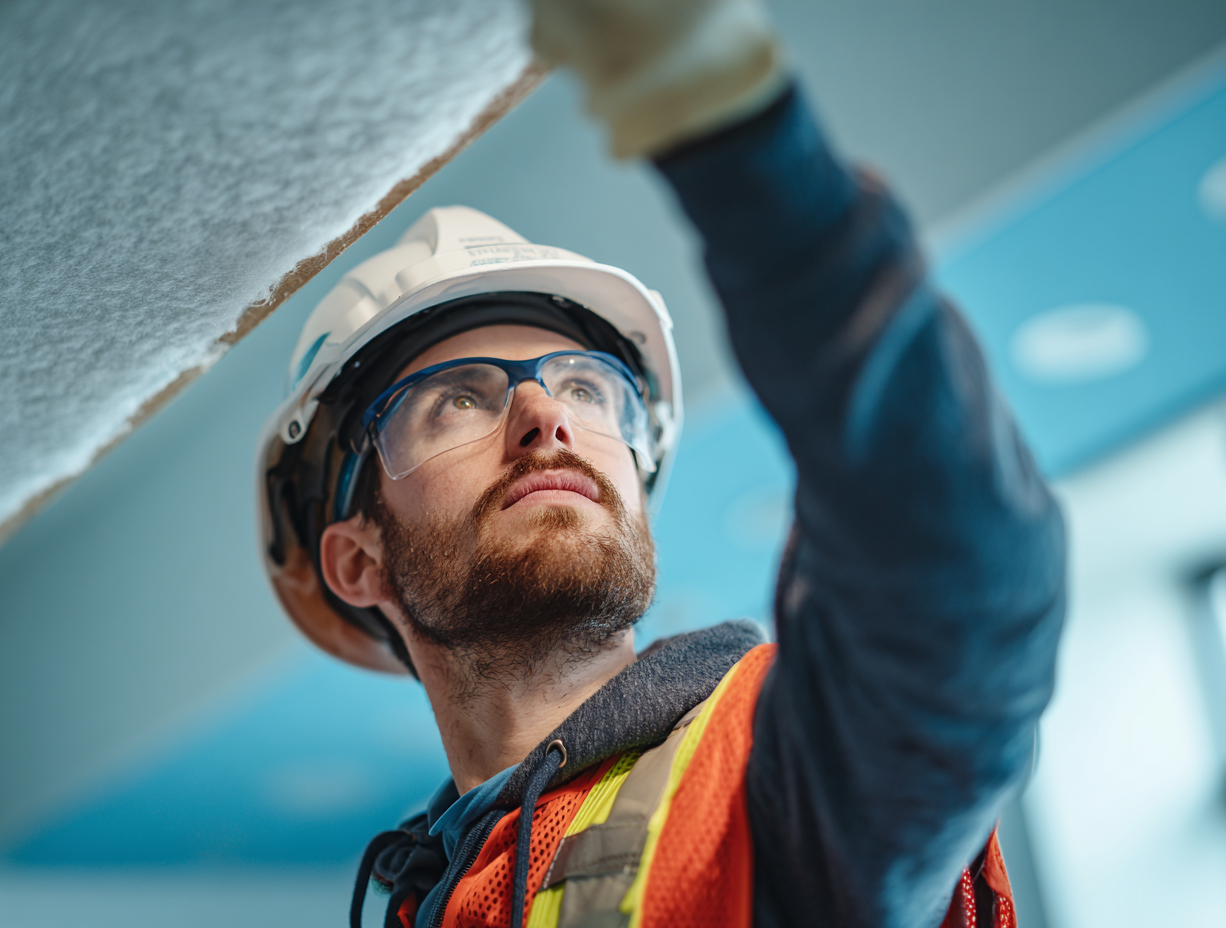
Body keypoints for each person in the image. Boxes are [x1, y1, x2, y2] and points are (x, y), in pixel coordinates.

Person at [254, 2, 1065, 927]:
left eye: (588, 388)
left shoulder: (790, 766)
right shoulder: (431, 901)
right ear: (357, 561)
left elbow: (960, 575)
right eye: (458, 398)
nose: (544, 414)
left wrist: (722, 114)